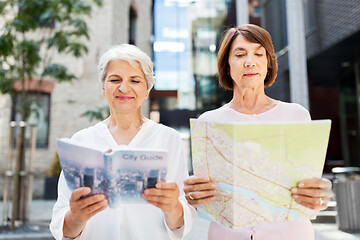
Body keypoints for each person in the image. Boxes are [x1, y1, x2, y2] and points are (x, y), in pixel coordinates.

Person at [183, 24, 333, 240]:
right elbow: (204, 198)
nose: (250, 61)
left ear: (268, 63)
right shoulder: (209, 122)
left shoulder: (296, 116)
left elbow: (309, 185)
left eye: (258, 54)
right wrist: (194, 194)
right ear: (227, 65)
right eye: (240, 54)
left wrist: (319, 193)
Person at [50, 44, 196, 240]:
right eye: (115, 79)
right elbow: (63, 228)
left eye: (135, 80)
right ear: (103, 87)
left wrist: (172, 208)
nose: (124, 88)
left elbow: (180, 223)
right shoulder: (81, 141)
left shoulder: (169, 139)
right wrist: (76, 216)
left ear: (147, 89)